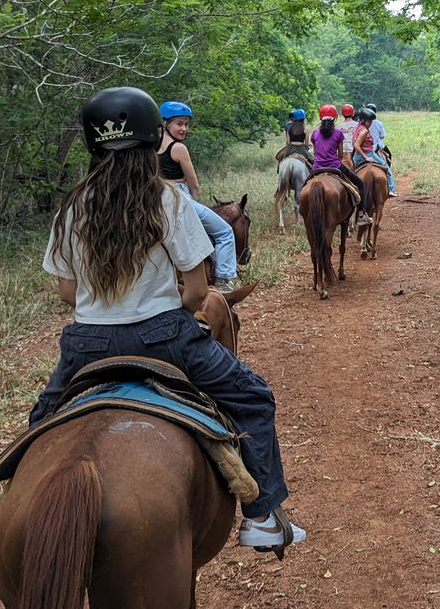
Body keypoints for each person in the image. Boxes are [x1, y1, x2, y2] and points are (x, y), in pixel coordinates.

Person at [35, 86, 305, 553]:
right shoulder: (169, 202)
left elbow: (66, 293)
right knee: (254, 398)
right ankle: (261, 518)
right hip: (163, 337)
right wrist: (167, 313)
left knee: (41, 423)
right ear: (150, 142)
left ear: (93, 145)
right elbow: (199, 291)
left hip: (85, 346)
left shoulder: (73, 206)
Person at [157, 99, 239, 290]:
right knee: (225, 232)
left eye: (186, 124)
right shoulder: (178, 148)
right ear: (165, 123)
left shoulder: (149, 148)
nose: (184, 128)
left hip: (154, 197)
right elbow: (194, 184)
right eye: (179, 123)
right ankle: (224, 280)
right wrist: (192, 199)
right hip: (180, 198)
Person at [311, 104, 367, 212]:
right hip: (335, 165)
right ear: (335, 118)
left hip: (317, 167)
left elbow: (315, 153)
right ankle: (361, 214)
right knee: (360, 184)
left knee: (304, 185)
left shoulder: (315, 133)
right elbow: (340, 154)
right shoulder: (338, 133)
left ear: (320, 117)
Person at [354, 108, 397, 197]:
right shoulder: (365, 131)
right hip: (369, 153)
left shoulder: (357, 128)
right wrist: (366, 157)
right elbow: (356, 145)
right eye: (368, 121)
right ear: (363, 120)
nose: (370, 124)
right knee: (386, 168)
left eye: (371, 121)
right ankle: (392, 189)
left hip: (356, 157)